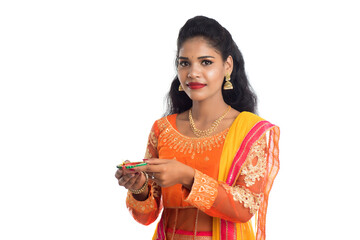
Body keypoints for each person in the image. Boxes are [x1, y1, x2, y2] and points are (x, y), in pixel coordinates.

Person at [115, 16, 280, 240]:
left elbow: (245, 207)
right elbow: (146, 216)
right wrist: (139, 187)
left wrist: (187, 176)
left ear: (227, 66)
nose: (193, 72)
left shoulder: (250, 131)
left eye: (206, 62)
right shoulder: (163, 129)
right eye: (185, 63)